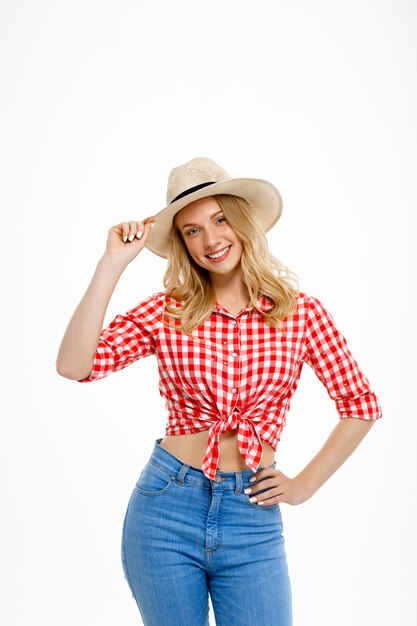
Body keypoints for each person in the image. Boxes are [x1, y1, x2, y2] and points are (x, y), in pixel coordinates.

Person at [56, 157, 382, 626]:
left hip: (252, 513)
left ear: (242, 221)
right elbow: (74, 366)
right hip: (167, 508)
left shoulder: (300, 313)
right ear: (182, 245)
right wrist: (112, 265)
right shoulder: (165, 313)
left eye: (220, 219)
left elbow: (360, 403)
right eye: (191, 231)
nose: (210, 240)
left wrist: (303, 485)